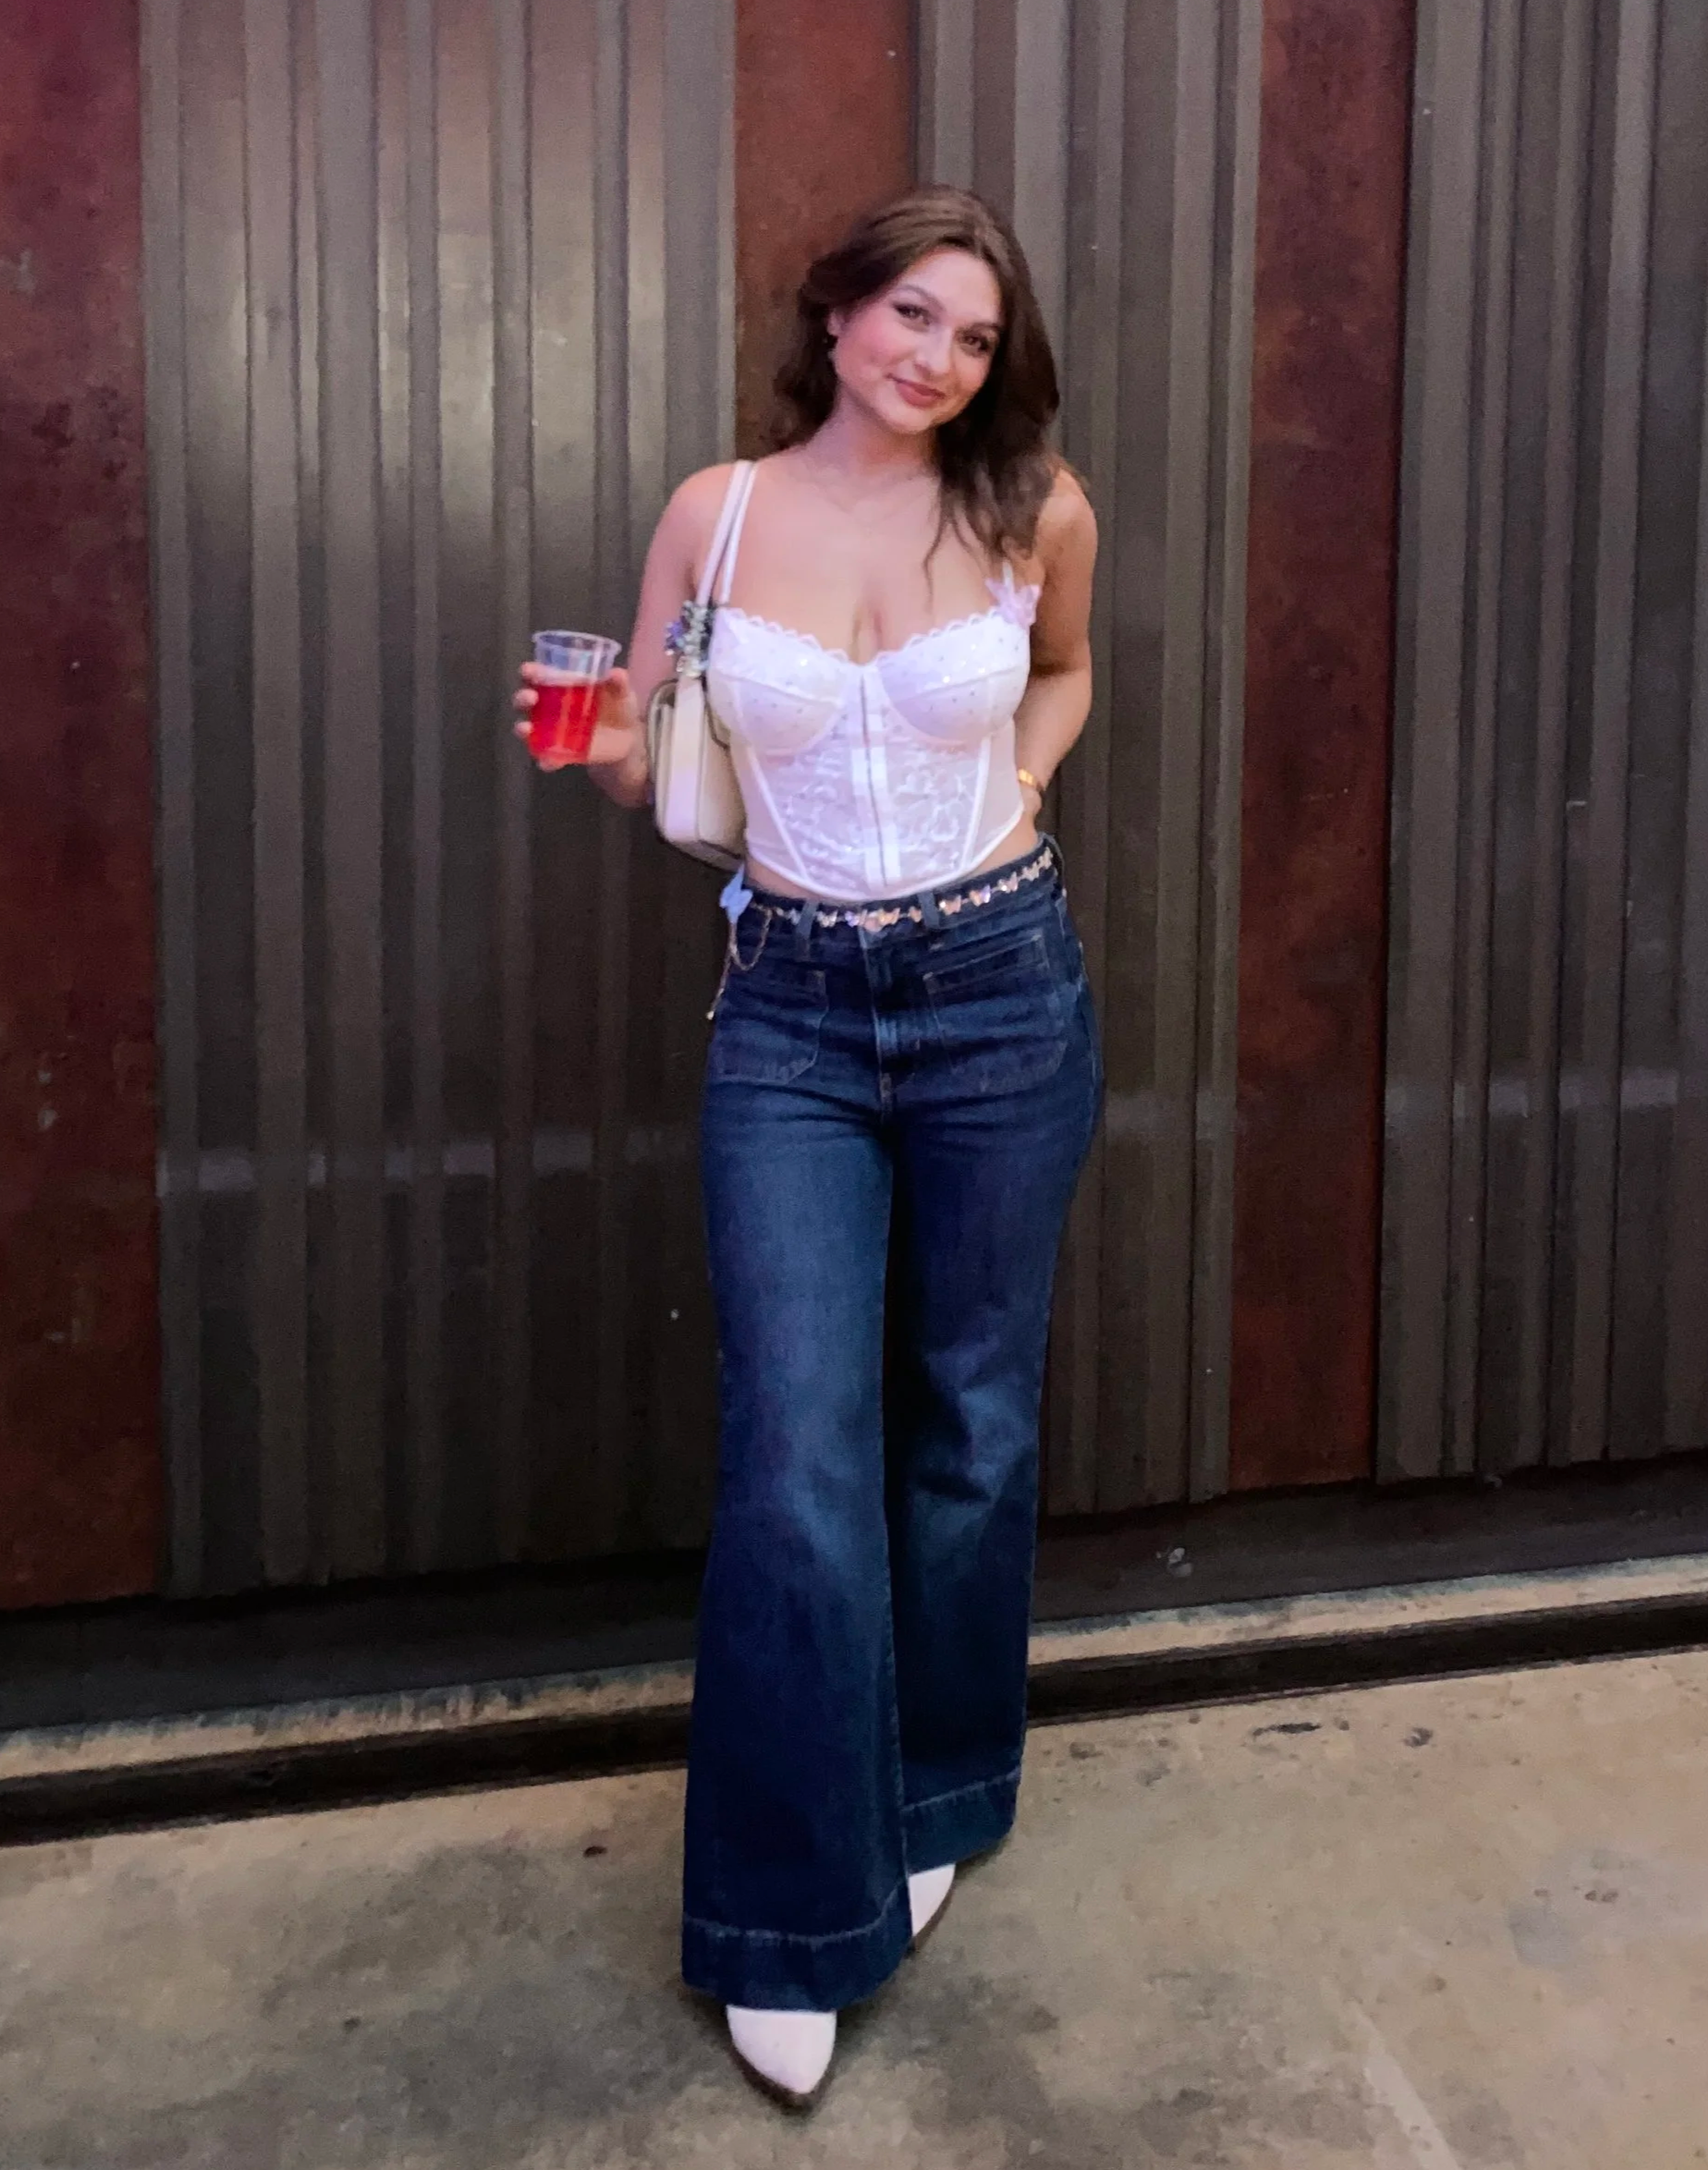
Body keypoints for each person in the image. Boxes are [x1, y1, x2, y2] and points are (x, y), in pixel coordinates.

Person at [516, 185, 1101, 2108]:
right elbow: (660, 734)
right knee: (792, 1453)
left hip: (1002, 990)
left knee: (970, 1414)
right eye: (909, 314)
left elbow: (1070, 670)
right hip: (791, 1009)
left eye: (972, 335)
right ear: (837, 313)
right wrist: (600, 746)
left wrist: (1017, 774)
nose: (936, 357)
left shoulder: (1034, 508)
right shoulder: (724, 507)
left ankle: (940, 1785)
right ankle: (788, 1911)